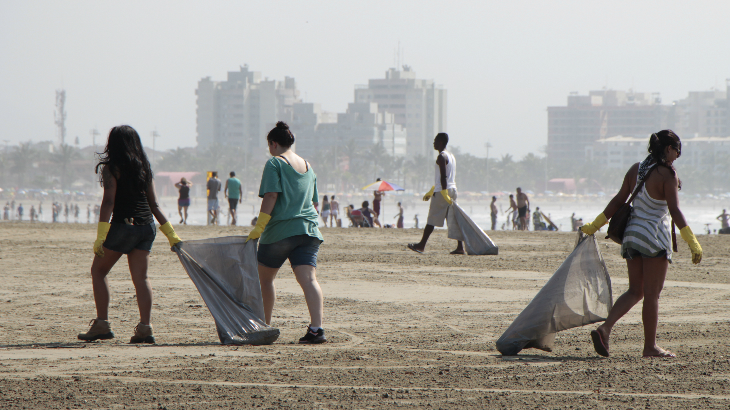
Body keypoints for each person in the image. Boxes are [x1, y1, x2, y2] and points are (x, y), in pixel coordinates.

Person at [581, 130, 702, 359]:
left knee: (635, 290)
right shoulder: (667, 174)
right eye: (677, 150)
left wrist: (594, 225)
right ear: (668, 148)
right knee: (652, 294)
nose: (677, 156)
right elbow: (674, 210)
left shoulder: (636, 169)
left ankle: (605, 329)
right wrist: (692, 241)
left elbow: (619, 200)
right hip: (654, 237)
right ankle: (650, 347)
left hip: (632, 236)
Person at [78, 125, 182, 344]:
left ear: (112, 144)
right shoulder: (144, 167)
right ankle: (145, 328)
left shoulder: (111, 168)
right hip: (146, 228)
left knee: (98, 271)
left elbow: (108, 202)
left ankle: (102, 324)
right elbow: (154, 204)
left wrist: (100, 236)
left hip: (123, 227)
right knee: (141, 279)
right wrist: (171, 235)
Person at [247, 121, 326, 344]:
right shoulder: (308, 166)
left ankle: (264, 326)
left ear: (273, 143)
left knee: (265, 279)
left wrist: (259, 228)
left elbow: (271, 196)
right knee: (309, 280)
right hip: (309, 231)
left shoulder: (275, 163)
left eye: (269, 145)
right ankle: (316, 329)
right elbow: (313, 202)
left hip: (280, 231)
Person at [407, 133, 464, 254]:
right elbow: (447, 177)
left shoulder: (441, 157)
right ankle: (460, 247)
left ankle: (421, 245)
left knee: (431, 219)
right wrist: (432, 190)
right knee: (453, 220)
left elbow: (443, 177)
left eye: (435, 141)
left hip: (443, 191)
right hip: (453, 189)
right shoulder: (451, 156)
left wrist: (442, 192)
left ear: (441, 142)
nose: (434, 143)